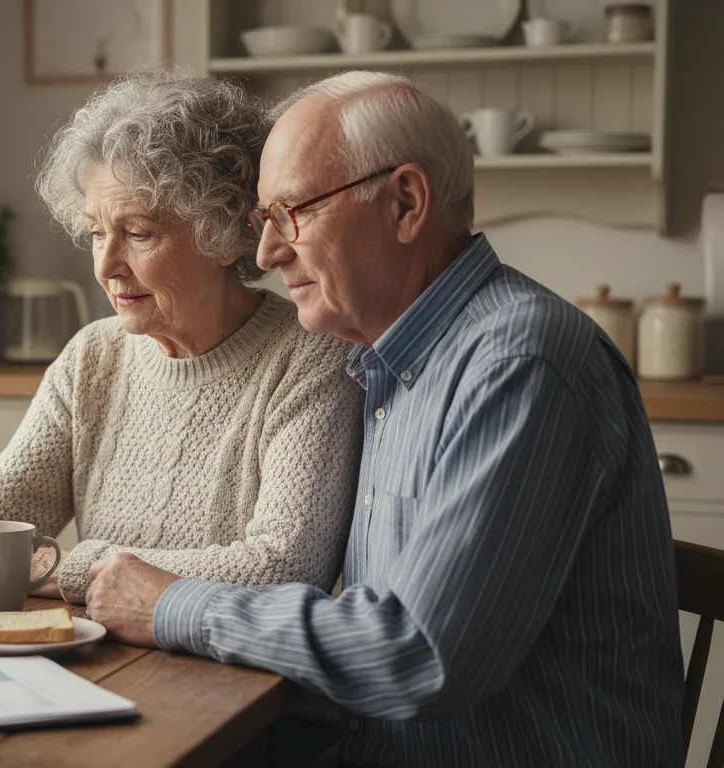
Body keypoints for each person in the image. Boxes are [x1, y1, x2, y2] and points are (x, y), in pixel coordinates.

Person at [84, 70, 684, 767]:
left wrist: (170, 604)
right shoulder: (389, 362)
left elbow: (417, 654)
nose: (267, 253)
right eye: (262, 222)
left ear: (405, 202)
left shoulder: (519, 365)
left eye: (290, 213)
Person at [0, 69, 363, 605]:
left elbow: (283, 568)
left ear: (226, 233)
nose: (106, 265)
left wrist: (65, 568)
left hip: (238, 698)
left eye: (137, 233)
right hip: (102, 667)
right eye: (94, 233)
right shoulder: (94, 356)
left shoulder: (309, 355)